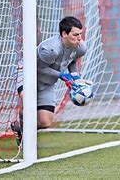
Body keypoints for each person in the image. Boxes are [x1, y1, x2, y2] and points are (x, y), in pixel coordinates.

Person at [11, 16, 90, 145]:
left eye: (80, 34)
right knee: (28, 101)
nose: (80, 38)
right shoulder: (50, 49)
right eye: (75, 35)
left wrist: (75, 77)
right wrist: (62, 76)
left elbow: (72, 61)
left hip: (47, 82)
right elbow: (38, 68)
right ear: (64, 34)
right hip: (27, 74)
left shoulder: (80, 47)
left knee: (45, 122)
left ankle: (21, 128)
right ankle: (24, 121)